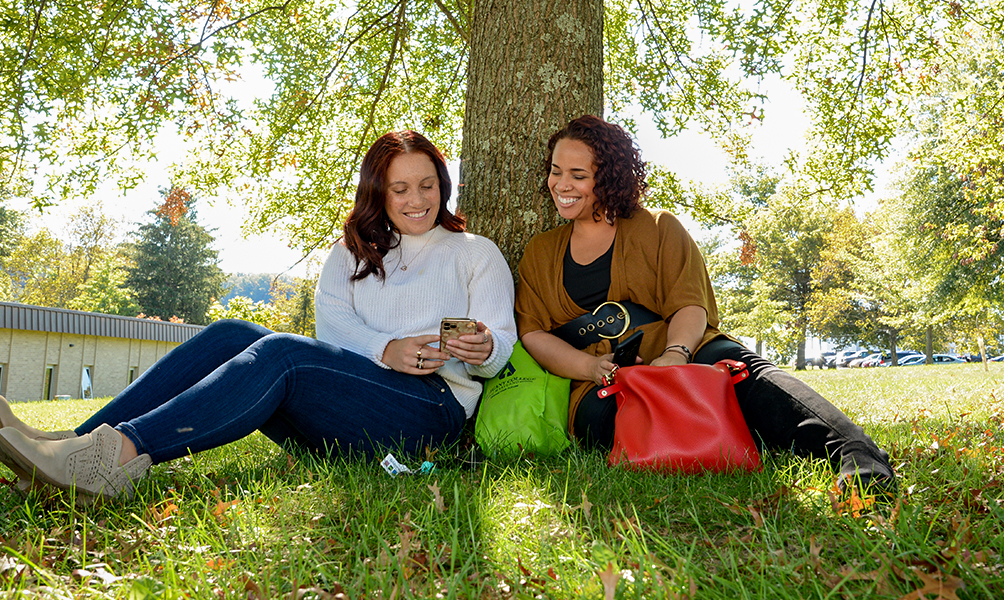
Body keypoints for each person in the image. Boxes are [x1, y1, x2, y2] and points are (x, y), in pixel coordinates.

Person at [0, 131, 517, 499]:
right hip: (351, 406)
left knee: (284, 355)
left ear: (443, 185)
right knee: (232, 334)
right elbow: (335, 328)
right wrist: (386, 350)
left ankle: (112, 459)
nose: (416, 199)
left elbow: (500, 346)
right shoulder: (354, 251)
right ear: (378, 192)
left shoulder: (474, 252)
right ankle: (75, 445)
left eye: (427, 184)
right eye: (400, 188)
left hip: (433, 412)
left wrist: (484, 347)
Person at [515, 115, 894, 491]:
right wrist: (592, 367)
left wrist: (675, 357)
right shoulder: (540, 252)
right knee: (639, 425)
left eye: (578, 175)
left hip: (689, 352)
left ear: (608, 176)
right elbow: (532, 332)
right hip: (600, 386)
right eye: (556, 171)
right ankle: (736, 436)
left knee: (755, 383)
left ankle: (858, 458)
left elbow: (690, 304)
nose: (562, 185)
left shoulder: (659, 226)